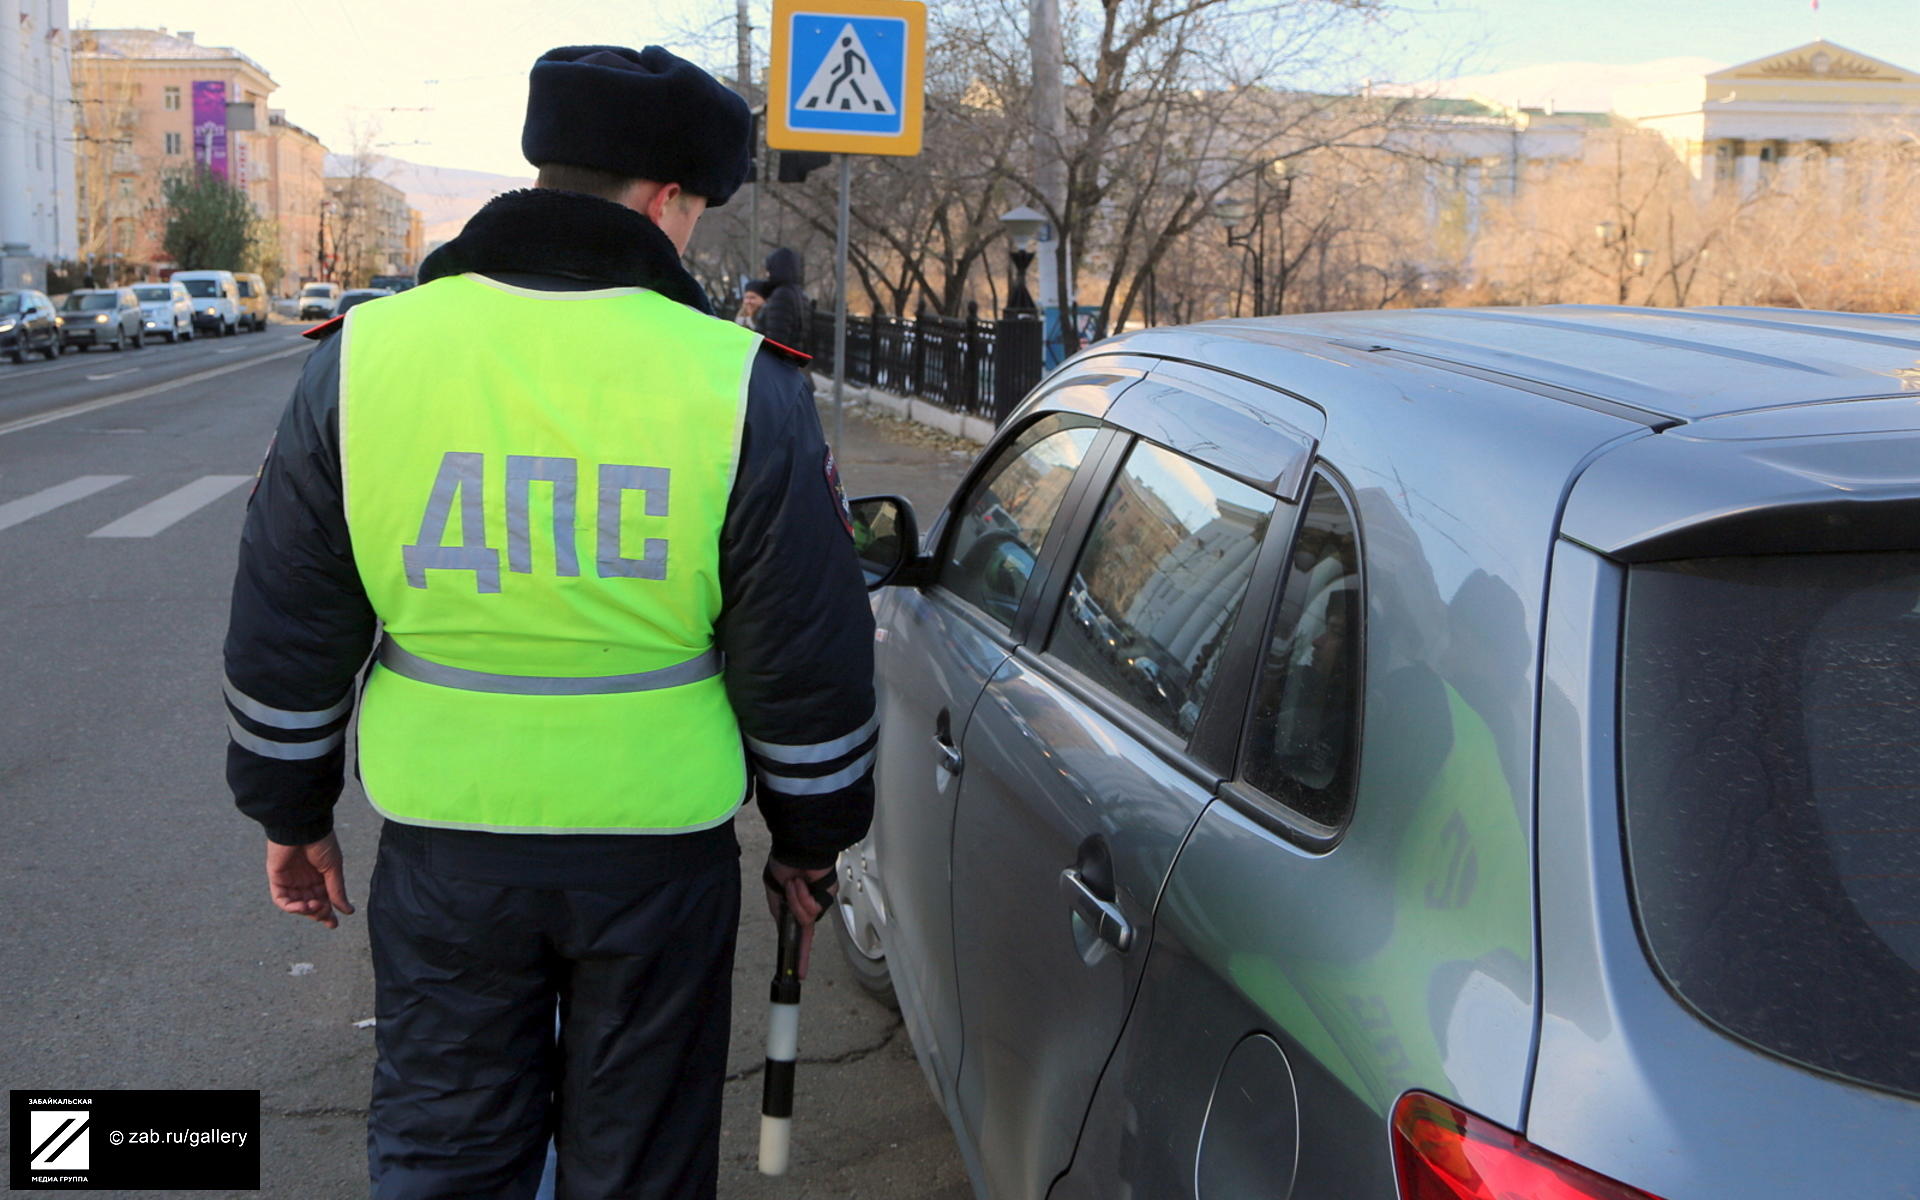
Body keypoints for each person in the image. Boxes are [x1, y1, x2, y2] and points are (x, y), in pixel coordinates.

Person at [221, 43, 877, 1199]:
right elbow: (804, 655)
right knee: (635, 1160)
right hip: (658, 853)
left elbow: (291, 613)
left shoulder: (365, 357)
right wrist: (811, 843)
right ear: (668, 199)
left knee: (448, 1142)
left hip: (446, 840)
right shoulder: (741, 383)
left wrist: (291, 807)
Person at [756, 246, 809, 350]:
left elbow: (776, 340)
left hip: (776, 362)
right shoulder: (801, 295)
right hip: (792, 361)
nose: (767, 274)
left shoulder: (781, 296)